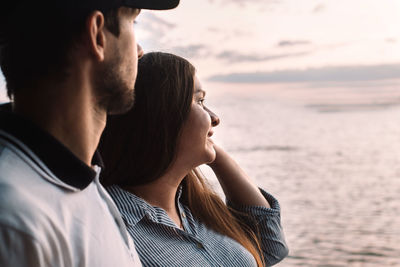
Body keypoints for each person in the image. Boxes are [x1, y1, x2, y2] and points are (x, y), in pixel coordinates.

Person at [0, 1, 179, 266]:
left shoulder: (78, 177)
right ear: (97, 35)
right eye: (133, 23)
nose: (140, 51)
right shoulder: (17, 220)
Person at [99, 52, 289, 266]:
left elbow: (271, 247)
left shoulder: (197, 210)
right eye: (199, 101)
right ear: (163, 116)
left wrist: (214, 154)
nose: (215, 117)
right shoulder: (112, 228)